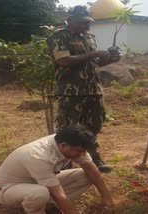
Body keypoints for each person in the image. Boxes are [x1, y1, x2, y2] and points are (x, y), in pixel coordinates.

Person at [47, 5, 120, 172]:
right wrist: (94, 54)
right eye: (81, 23)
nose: (86, 26)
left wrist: (110, 59)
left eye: (87, 22)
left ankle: (94, 159)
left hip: (94, 90)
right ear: (69, 20)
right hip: (72, 91)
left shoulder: (89, 37)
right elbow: (64, 60)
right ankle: (63, 163)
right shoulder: (59, 36)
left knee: (93, 126)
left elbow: (95, 63)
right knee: (67, 128)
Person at [0, 124, 114, 214]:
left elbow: (91, 170)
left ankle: (48, 206)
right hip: (7, 189)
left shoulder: (72, 144)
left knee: (87, 175)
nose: (82, 154)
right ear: (63, 146)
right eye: (80, 151)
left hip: (40, 183)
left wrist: (107, 198)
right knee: (39, 193)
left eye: (84, 151)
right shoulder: (38, 155)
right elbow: (58, 193)